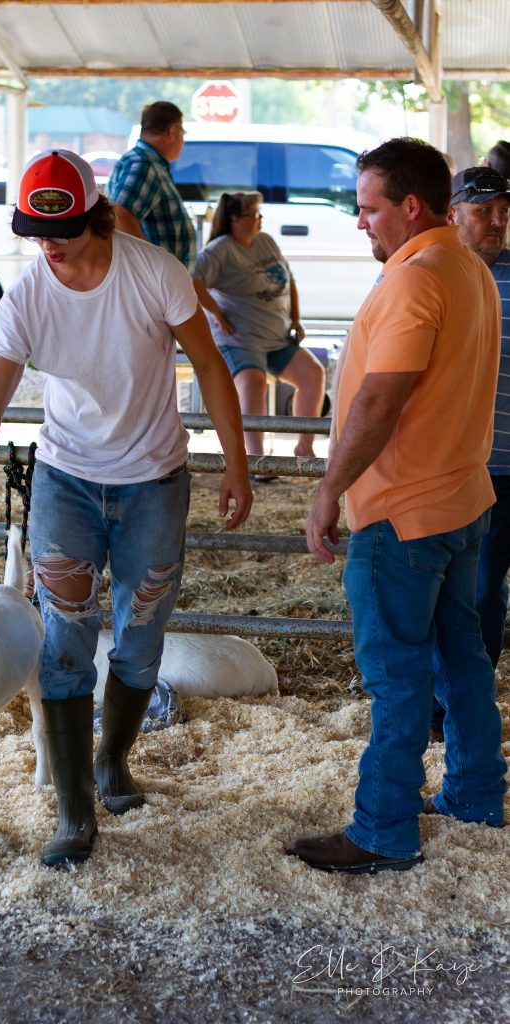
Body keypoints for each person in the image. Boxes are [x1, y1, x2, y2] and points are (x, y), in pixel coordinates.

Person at [0, 150, 252, 868]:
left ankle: (112, 760)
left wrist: (236, 463)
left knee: (140, 633)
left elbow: (208, 363)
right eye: (34, 231)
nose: (48, 244)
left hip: (154, 479)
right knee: (66, 636)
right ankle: (74, 808)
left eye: (62, 229)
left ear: (94, 217)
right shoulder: (26, 298)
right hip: (66, 478)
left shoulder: (154, 273)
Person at [287, 137, 507, 875]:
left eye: (368, 208)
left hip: (402, 509)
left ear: (410, 206)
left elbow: (381, 399)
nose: (360, 222)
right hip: (461, 497)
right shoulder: (467, 266)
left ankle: (382, 828)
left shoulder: (416, 279)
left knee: (397, 673)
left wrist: (328, 489)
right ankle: (476, 794)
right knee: (461, 657)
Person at [428, 166, 510, 738]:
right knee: (458, 591)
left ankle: (461, 708)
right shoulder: (429, 273)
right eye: (485, 210)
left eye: (504, 211)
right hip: (449, 464)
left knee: (482, 588)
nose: (498, 220)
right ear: (453, 212)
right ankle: (452, 706)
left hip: (501, 462)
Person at [192, 191, 325, 466]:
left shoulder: (265, 241)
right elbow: (193, 282)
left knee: (313, 374)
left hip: (277, 336)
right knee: (253, 383)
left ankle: (304, 448)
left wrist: (296, 319)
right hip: (240, 338)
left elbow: (289, 280)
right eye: (253, 214)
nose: (259, 219)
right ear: (235, 220)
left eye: (258, 213)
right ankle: (256, 460)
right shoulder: (219, 250)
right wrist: (216, 313)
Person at [106, 100, 197, 271]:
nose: (183, 141)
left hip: (159, 279)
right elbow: (120, 215)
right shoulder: (143, 163)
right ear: (173, 132)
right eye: (183, 133)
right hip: (152, 280)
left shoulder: (147, 162)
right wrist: (152, 264)